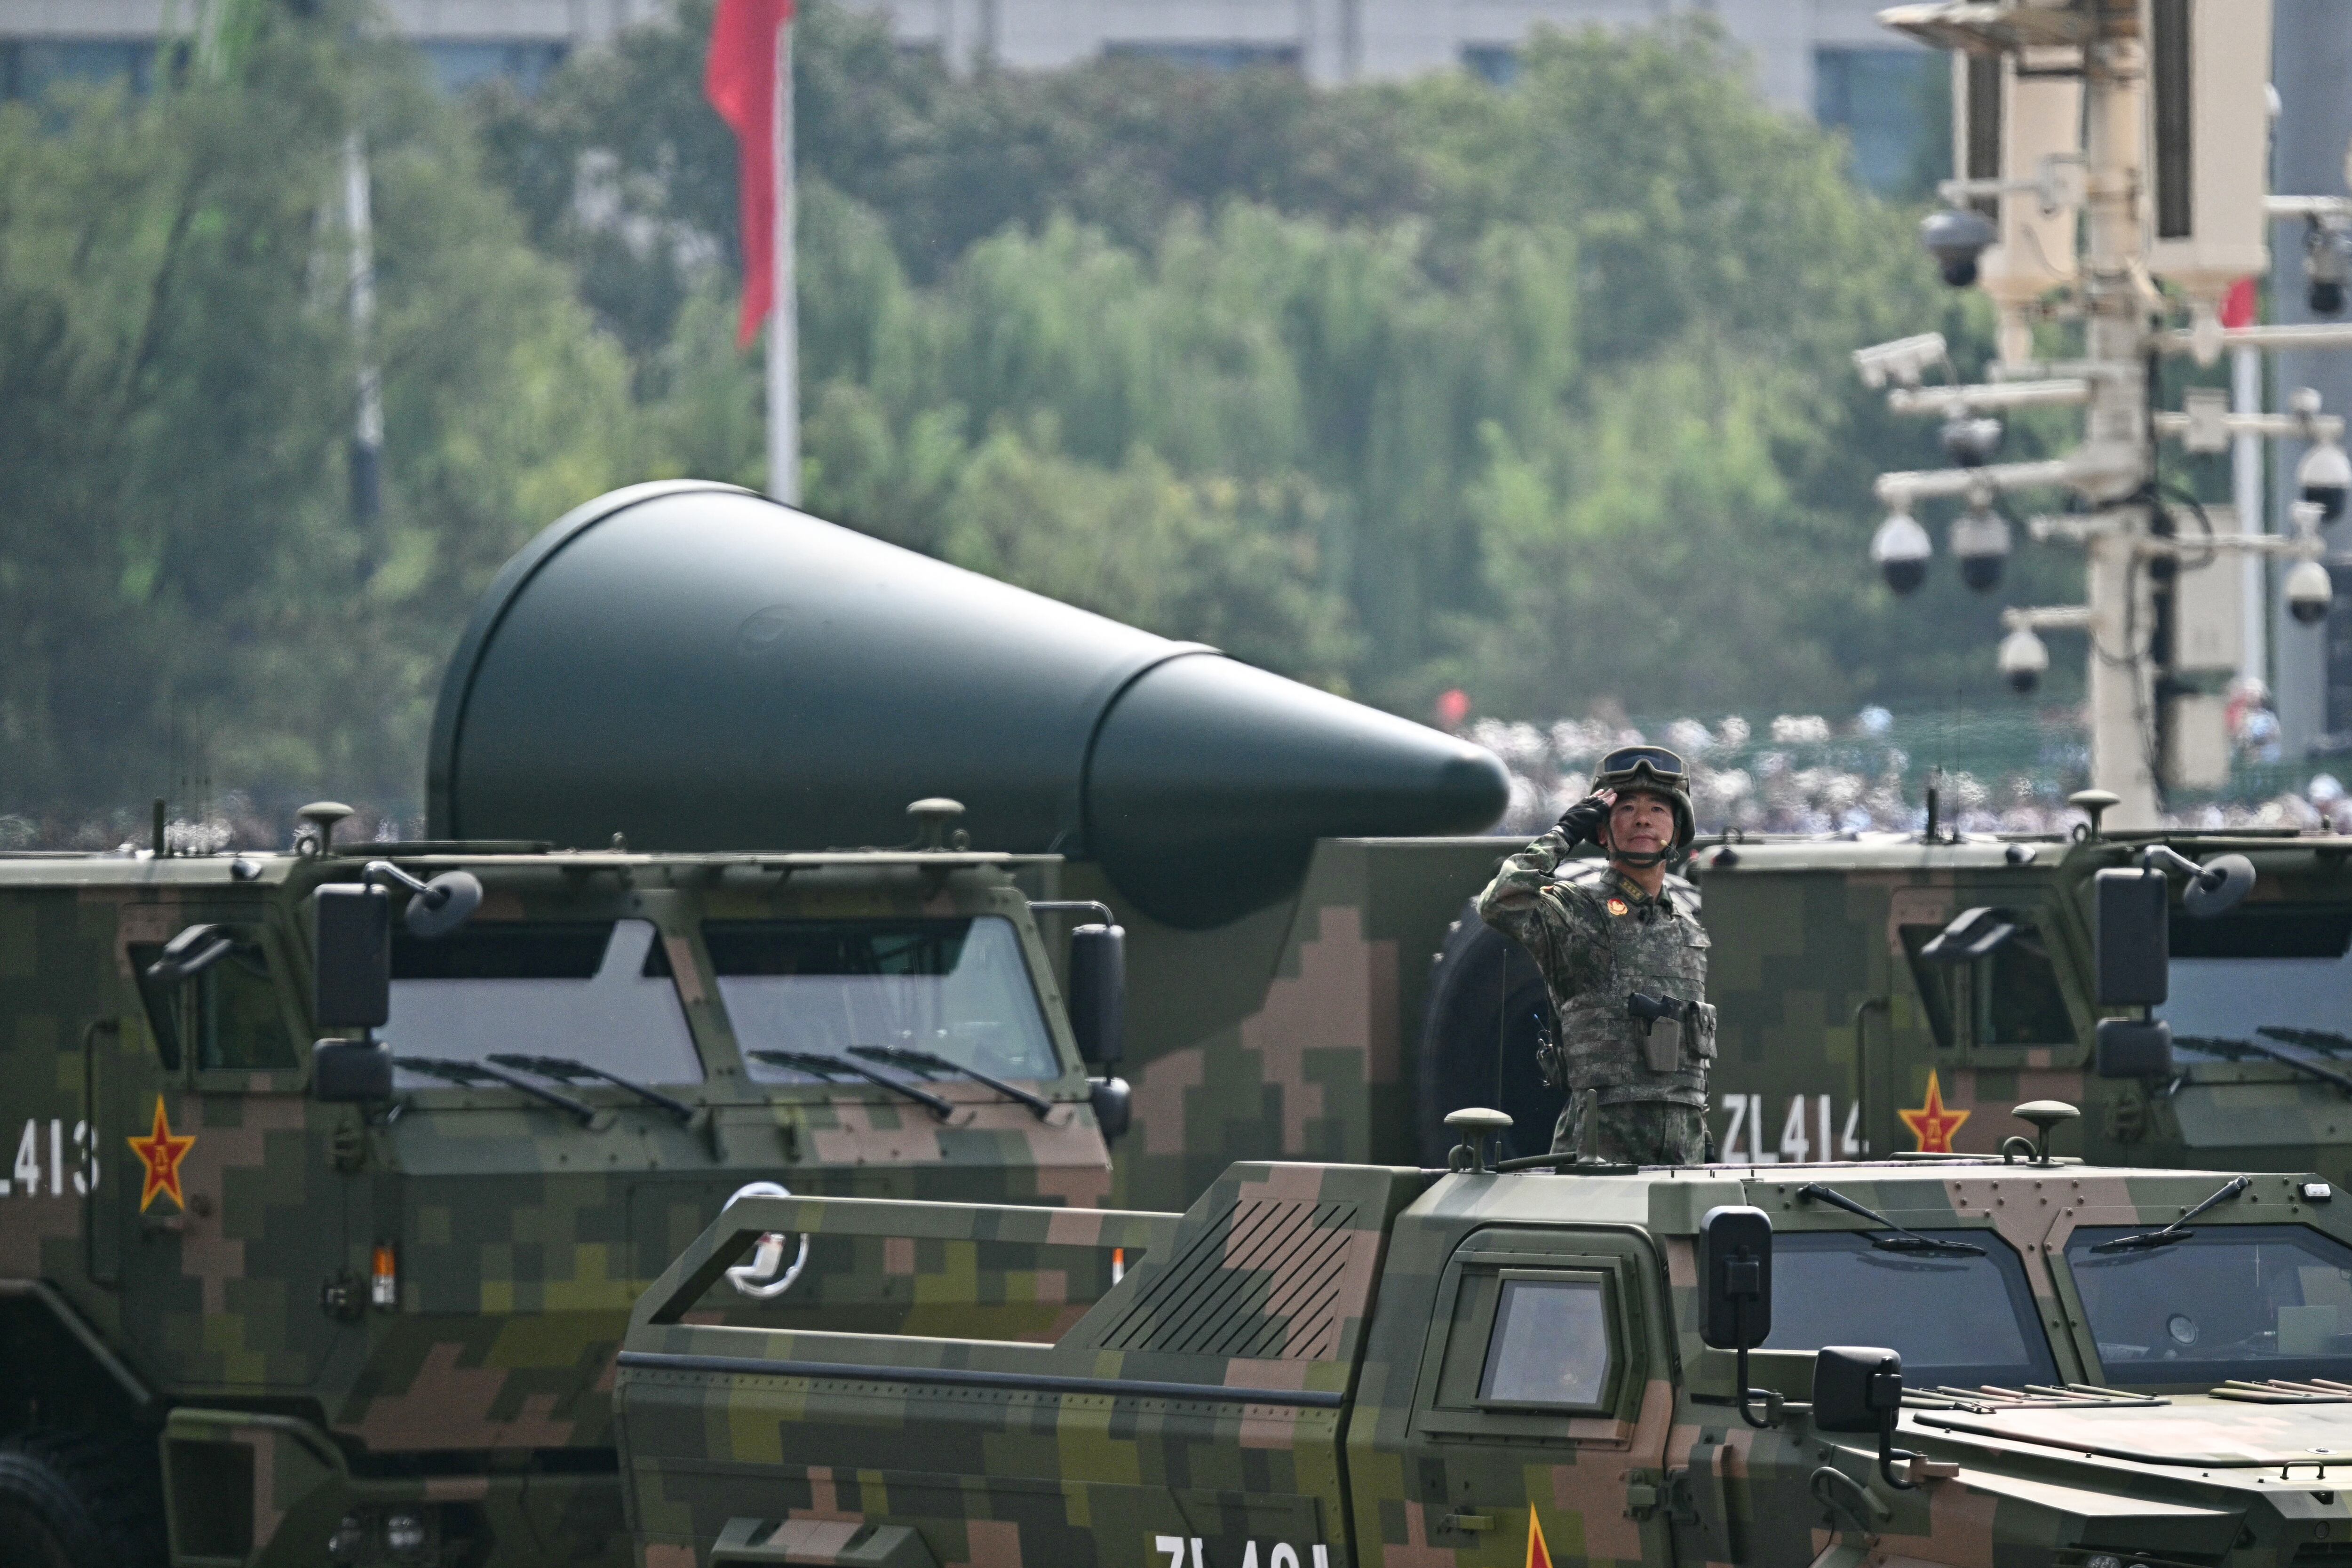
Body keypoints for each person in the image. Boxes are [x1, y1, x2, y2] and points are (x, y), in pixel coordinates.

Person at [1476, 745, 1714, 1164]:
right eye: (1626, 808)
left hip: (1683, 1153)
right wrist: (1563, 834)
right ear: (1602, 832)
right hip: (1598, 1149)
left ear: (1676, 832)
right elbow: (1499, 902)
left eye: (1658, 808)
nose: (1643, 818)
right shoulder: (1575, 909)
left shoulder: (1689, 931)